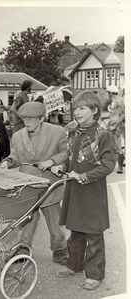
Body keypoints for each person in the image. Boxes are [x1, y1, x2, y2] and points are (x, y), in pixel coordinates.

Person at [56, 91, 117, 291]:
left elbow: (108, 165)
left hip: (92, 190)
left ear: (94, 111)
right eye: (75, 108)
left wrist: (83, 176)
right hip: (75, 190)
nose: (77, 111)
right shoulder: (73, 132)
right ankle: (74, 265)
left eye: (82, 108)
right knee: (75, 231)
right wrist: (62, 167)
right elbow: (70, 158)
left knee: (93, 234)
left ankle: (95, 274)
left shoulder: (104, 134)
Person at [0, 101, 68, 265]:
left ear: (42, 118)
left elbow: (66, 152)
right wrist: (7, 162)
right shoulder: (17, 136)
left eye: (31, 118)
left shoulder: (57, 132)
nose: (27, 122)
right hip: (28, 184)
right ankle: (23, 249)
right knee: (27, 218)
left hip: (49, 183)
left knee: (53, 219)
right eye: (24, 118)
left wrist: (52, 161)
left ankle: (59, 250)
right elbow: (16, 155)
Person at [106, 85, 125, 173]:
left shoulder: (119, 101)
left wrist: (115, 125)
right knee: (112, 145)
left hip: (117, 126)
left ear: (110, 93)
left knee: (118, 146)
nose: (107, 95)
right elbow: (113, 114)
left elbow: (123, 115)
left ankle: (120, 166)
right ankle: (113, 164)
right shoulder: (113, 101)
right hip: (111, 125)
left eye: (108, 93)